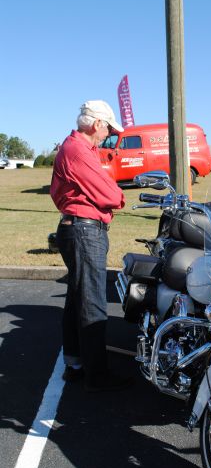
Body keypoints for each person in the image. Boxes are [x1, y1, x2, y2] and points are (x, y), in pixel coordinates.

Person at [50, 100, 133, 392]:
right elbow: (110, 194)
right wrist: (117, 197)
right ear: (97, 123)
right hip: (85, 231)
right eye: (108, 128)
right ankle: (96, 375)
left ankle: (75, 364)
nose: (109, 134)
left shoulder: (78, 148)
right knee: (93, 302)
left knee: (77, 298)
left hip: (78, 228)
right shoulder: (78, 150)